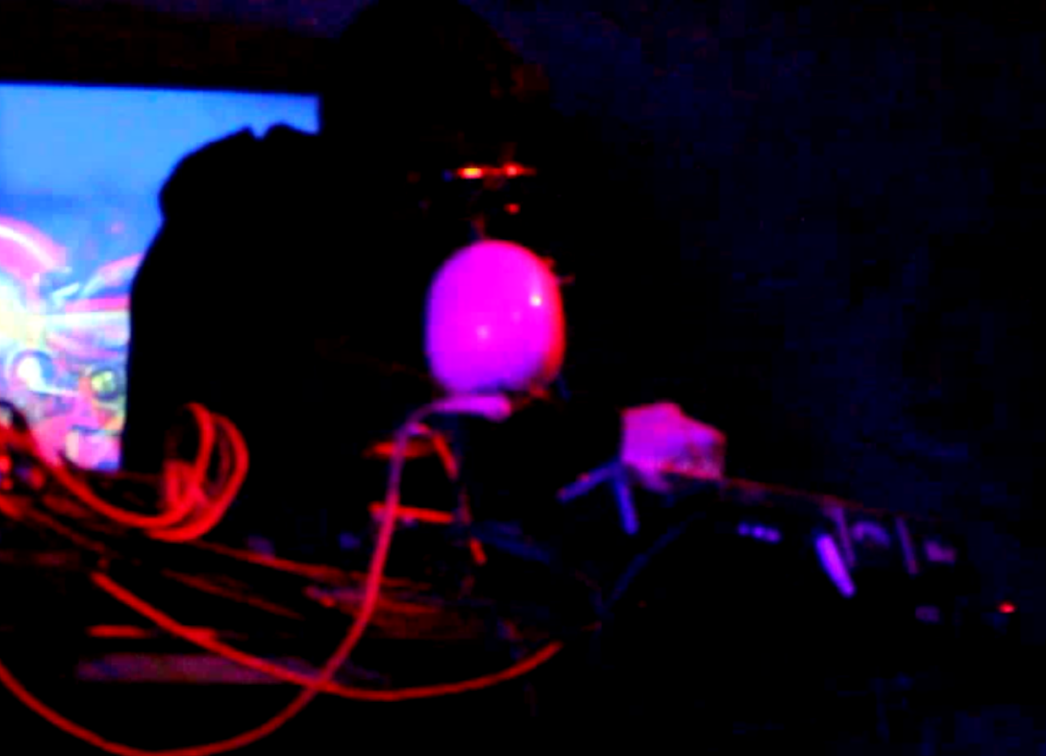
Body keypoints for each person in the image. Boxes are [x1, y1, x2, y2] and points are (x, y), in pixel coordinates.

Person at [120, 0, 718, 558]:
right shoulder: (236, 226)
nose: (479, 216)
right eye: (468, 180)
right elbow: (326, 400)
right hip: (229, 605)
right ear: (400, 159)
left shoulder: (386, 247)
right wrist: (600, 436)